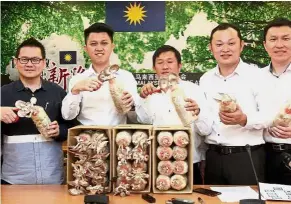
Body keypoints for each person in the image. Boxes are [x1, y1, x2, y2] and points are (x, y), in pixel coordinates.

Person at [199, 23, 269, 185]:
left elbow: (268, 116)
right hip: (214, 156)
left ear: (241, 45)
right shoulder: (205, 79)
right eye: (219, 44)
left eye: (231, 43)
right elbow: (205, 122)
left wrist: (244, 119)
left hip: (246, 155)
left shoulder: (257, 76)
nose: (225, 49)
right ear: (211, 47)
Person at [1, 38, 75, 184]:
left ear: (43, 63)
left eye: (35, 59)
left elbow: (72, 127)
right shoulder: (3, 93)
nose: (29, 64)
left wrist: (59, 131)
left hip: (52, 177)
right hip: (13, 179)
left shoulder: (57, 92)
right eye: (24, 59)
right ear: (16, 62)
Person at [135, 45, 213, 184]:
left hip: (189, 161)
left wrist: (197, 113)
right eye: (160, 62)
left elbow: (206, 129)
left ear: (179, 66)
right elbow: (143, 120)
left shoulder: (194, 90)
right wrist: (142, 97)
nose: (165, 66)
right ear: (154, 69)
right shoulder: (151, 93)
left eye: (170, 61)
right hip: (159, 161)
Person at [61, 23, 137, 125]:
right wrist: (75, 91)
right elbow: (67, 116)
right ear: (86, 48)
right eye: (93, 44)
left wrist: (132, 105)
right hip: (88, 137)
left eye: (104, 43)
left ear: (112, 46)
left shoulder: (126, 77)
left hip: (117, 137)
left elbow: (135, 117)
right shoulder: (78, 79)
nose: (99, 48)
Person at [260, 18, 291, 185]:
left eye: (286, 38)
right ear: (265, 45)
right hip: (263, 155)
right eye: (273, 39)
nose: (279, 45)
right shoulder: (256, 77)